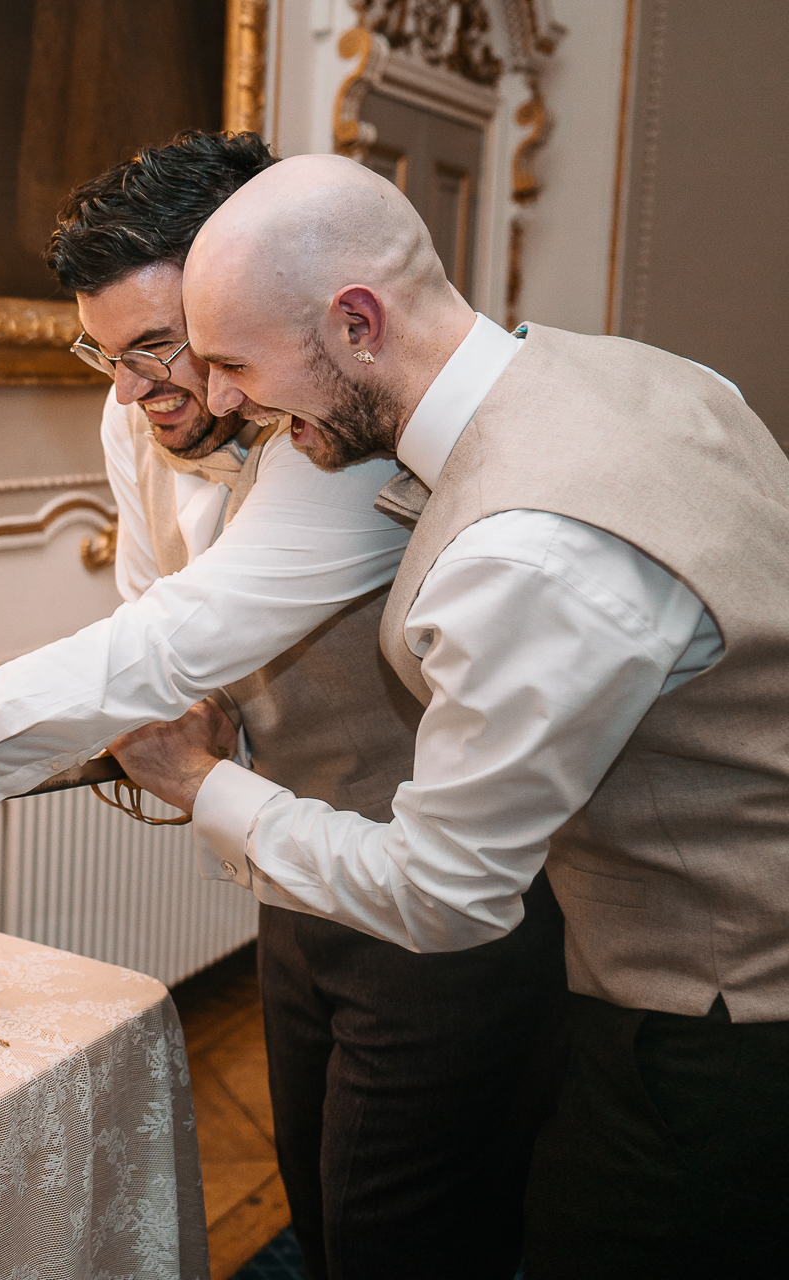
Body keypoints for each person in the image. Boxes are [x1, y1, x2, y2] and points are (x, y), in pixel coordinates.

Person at [0, 133, 567, 1278]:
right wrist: (193, 717)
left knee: (412, 1230)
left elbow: (166, 641)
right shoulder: (138, 412)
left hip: (437, 900)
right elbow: (160, 612)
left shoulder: (344, 441)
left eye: (159, 348)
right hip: (289, 873)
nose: (132, 390)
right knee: (322, 1202)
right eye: (105, 352)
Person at [107, 152, 788, 1276]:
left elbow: (446, 889)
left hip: (714, 1026)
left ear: (357, 322)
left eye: (232, 361)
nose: (221, 400)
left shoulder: (528, 548)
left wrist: (198, 782)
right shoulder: (648, 376)